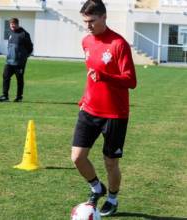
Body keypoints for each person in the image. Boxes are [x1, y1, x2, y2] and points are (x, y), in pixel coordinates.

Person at [71, 0, 137, 217]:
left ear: (103, 17)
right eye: (85, 22)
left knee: (110, 163)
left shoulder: (119, 44)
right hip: (89, 109)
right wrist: (84, 97)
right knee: (77, 157)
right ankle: (96, 187)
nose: (88, 25)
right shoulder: (86, 42)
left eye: (91, 21)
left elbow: (131, 80)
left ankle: (112, 198)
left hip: (115, 114)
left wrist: (105, 77)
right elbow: (91, 76)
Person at [0, 18, 33, 102]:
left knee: (19, 79)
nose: (12, 26)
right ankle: (5, 96)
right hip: (9, 61)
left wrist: (23, 57)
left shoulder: (24, 34)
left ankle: (19, 96)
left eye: (14, 24)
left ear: (17, 24)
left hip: (19, 62)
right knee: (5, 76)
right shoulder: (11, 33)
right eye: (11, 24)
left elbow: (30, 47)